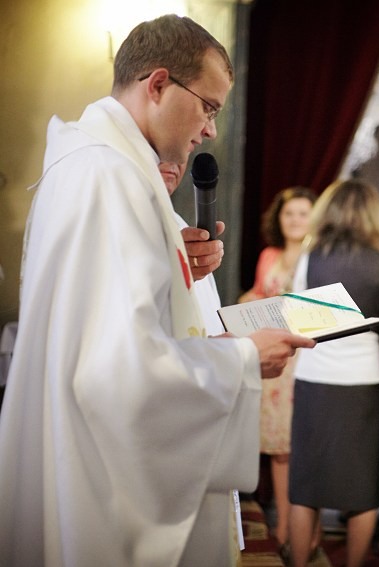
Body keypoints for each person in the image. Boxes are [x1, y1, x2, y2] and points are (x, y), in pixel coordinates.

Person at [0, 15, 314, 567]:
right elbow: (118, 368)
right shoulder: (109, 177)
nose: (212, 129)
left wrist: (180, 272)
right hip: (105, 485)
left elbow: (110, 314)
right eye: (210, 107)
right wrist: (244, 358)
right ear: (159, 84)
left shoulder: (101, 163)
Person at [287, 179, 379, 567]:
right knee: (361, 486)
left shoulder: (310, 257)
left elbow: (297, 321)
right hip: (364, 382)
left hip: (314, 377)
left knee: (305, 484)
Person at [239, 186, 317, 550]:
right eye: (289, 213)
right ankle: (284, 525)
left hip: (309, 358)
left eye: (303, 213)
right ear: (279, 218)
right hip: (275, 360)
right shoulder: (269, 255)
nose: (295, 220)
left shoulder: (318, 255)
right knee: (278, 446)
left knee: (304, 445)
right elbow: (256, 292)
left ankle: (306, 529)